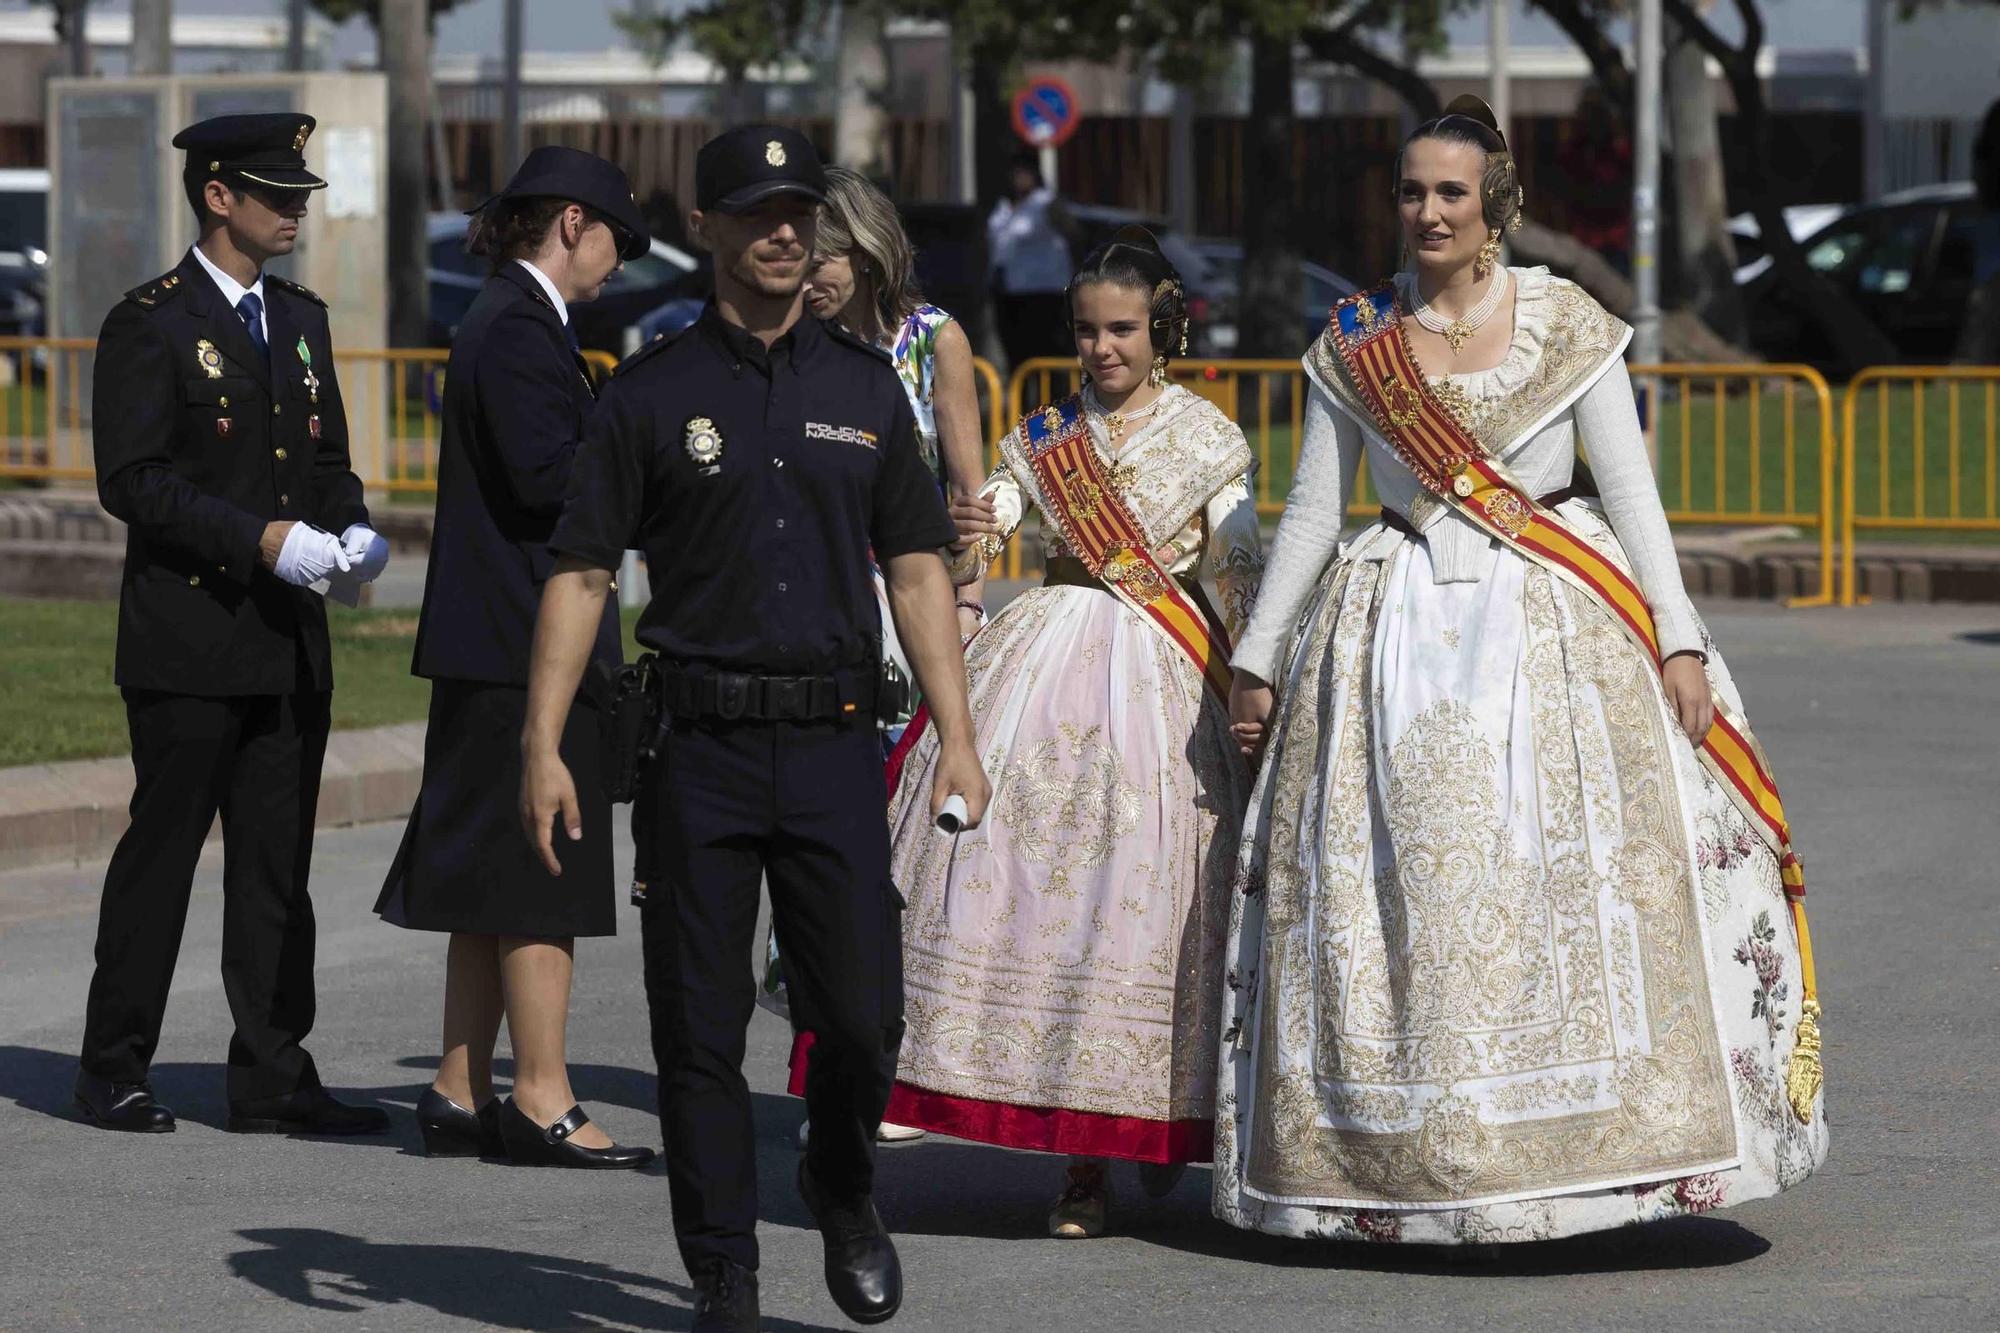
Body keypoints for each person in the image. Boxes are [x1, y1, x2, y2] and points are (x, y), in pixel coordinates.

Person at [1214, 97, 1828, 1246]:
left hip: (1550, 622)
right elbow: (1310, 512)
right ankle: (1400, 1170)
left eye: (1449, 191)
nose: (1427, 210)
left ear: (1491, 200)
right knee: (1402, 904)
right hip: (1390, 627)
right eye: (1410, 191)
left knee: (1557, 881)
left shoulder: (1566, 322)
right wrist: (1256, 657)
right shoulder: (1353, 337)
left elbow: (1630, 494)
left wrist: (1680, 635)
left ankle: (1590, 1169)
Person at [517, 125, 990, 1332]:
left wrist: (961, 736)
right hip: (700, 752)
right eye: (758, 213)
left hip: (832, 741)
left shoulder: (863, 386)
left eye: (800, 213)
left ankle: (840, 1183)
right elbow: (579, 574)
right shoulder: (652, 391)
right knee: (698, 1029)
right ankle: (723, 1269)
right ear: (711, 228)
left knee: (864, 1012)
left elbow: (920, 567)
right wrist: (541, 746)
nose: (786, 233)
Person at [877, 227, 1266, 1239]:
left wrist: (1257, 652)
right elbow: (999, 505)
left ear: (1162, 327)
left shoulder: (1207, 437)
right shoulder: (1044, 432)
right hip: (1046, 663)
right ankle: (1079, 1161)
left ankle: (1154, 1123)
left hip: (1166, 680)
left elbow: (1234, 561)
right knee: (1045, 900)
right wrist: (978, 520)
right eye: (1089, 330)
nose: (1103, 348)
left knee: (1152, 911)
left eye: (1123, 329)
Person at [76, 113, 392, 1136]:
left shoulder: (298, 317)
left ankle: (271, 1071)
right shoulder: (151, 322)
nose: (294, 209)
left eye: (299, 193)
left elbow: (328, 463)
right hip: (188, 636)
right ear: (218, 196)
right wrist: (262, 540)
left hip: (286, 640)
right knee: (162, 860)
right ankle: (114, 1063)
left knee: (276, 868)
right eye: (275, 192)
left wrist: (353, 533)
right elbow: (134, 483)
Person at [375, 147, 654, 1169]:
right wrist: (644, 447)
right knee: (544, 866)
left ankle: (458, 1083)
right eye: (617, 238)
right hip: (523, 645)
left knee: (493, 876)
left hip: (489, 641)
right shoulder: (522, 329)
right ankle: (540, 1094)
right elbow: (554, 486)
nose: (619, 264)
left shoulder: (509, 317)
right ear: (572, 222)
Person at [987, 149, 1075, 370]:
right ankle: (1023, 404)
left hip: (1043, 292)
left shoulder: (1046, 203)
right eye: (1015, 172)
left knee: (1045, 356)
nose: (1019, 177)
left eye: (1024, 172)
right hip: (1009, 293)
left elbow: (1073, 234)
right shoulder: (1003, 207)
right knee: (1017, 357)